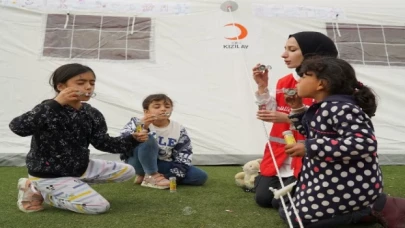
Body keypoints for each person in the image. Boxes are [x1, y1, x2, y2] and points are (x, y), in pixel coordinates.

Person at [281, 56, 405, 227]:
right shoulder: (324, 106)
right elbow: (312, 132)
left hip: (347, 185)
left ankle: (372, 208)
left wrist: (310, 146)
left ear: (321, 84)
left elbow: (365, 143)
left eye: (304, 76)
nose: (298, 81)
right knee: (286, 211)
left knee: (298, 221)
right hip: (328, 180)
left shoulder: (340, 108)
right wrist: (297, 108)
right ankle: (362, 208)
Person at [9, 63, 147, 214]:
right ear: (61, 86)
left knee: (128, 171)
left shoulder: (91, 113)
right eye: (81, 83)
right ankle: (38, 190)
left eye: (92, 83)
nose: (89, 87)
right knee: (99, 207)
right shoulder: (47, 109)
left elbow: (103, 143)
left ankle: (71, 185)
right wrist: (55, 103)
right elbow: (18, 127)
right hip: (49, 174)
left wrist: (133, 139)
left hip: (80, 167)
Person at [253, 31, 338, 208]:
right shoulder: (284, 81)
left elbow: (327, 121)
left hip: (308, 155)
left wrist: (288, 118)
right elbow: (275, 111)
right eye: (285, 49)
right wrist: (262, 87)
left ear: (311, 54)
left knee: (280, 203)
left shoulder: (329, 84)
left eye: (291, 49)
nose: (283, 55)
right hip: (281, 154)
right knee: (263, 199)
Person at [120, 93, 208, 189]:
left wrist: (173, 176)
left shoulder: (178, 128)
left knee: (200, 176)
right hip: (137, 163)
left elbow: (184, 153)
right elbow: (123, 141)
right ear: (146, 111)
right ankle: (151, 175)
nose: (163, 109)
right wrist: (142, 126)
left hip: (162, 164)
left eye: (167, 106)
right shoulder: (137, 122)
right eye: (157, 106)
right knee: (147, 138)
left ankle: (148, 177)